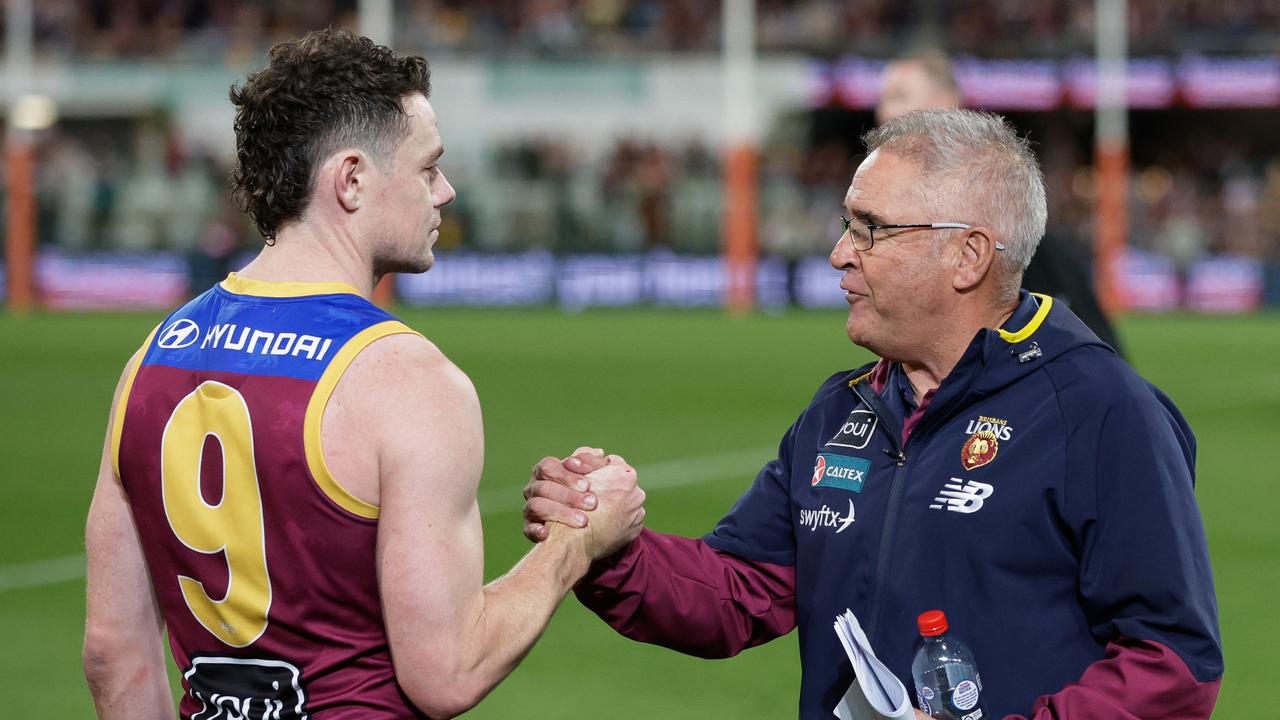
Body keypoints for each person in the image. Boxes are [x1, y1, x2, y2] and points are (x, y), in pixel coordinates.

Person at [524, 110, 1222, 718]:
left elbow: (1173, 665)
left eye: (871, 230)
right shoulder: (842, 409)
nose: (838, 255)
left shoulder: (1101, 411)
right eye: (846, 227)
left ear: (967, 254)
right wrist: (607, 546)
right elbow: (736, 589)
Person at [82, 29, 644, 720]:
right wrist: (577, 542)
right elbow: (449, 670)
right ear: (350, 180)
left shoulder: (151, 361)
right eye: (427, 167)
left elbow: (115, 655)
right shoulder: (408, 381)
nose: (446, 190)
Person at [876, 50, 1125, 357]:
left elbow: (1093, 343)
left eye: (899, 96)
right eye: (883, 98)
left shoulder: (995, 206)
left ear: (944, 101)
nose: (884, 112)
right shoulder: (906, 198)